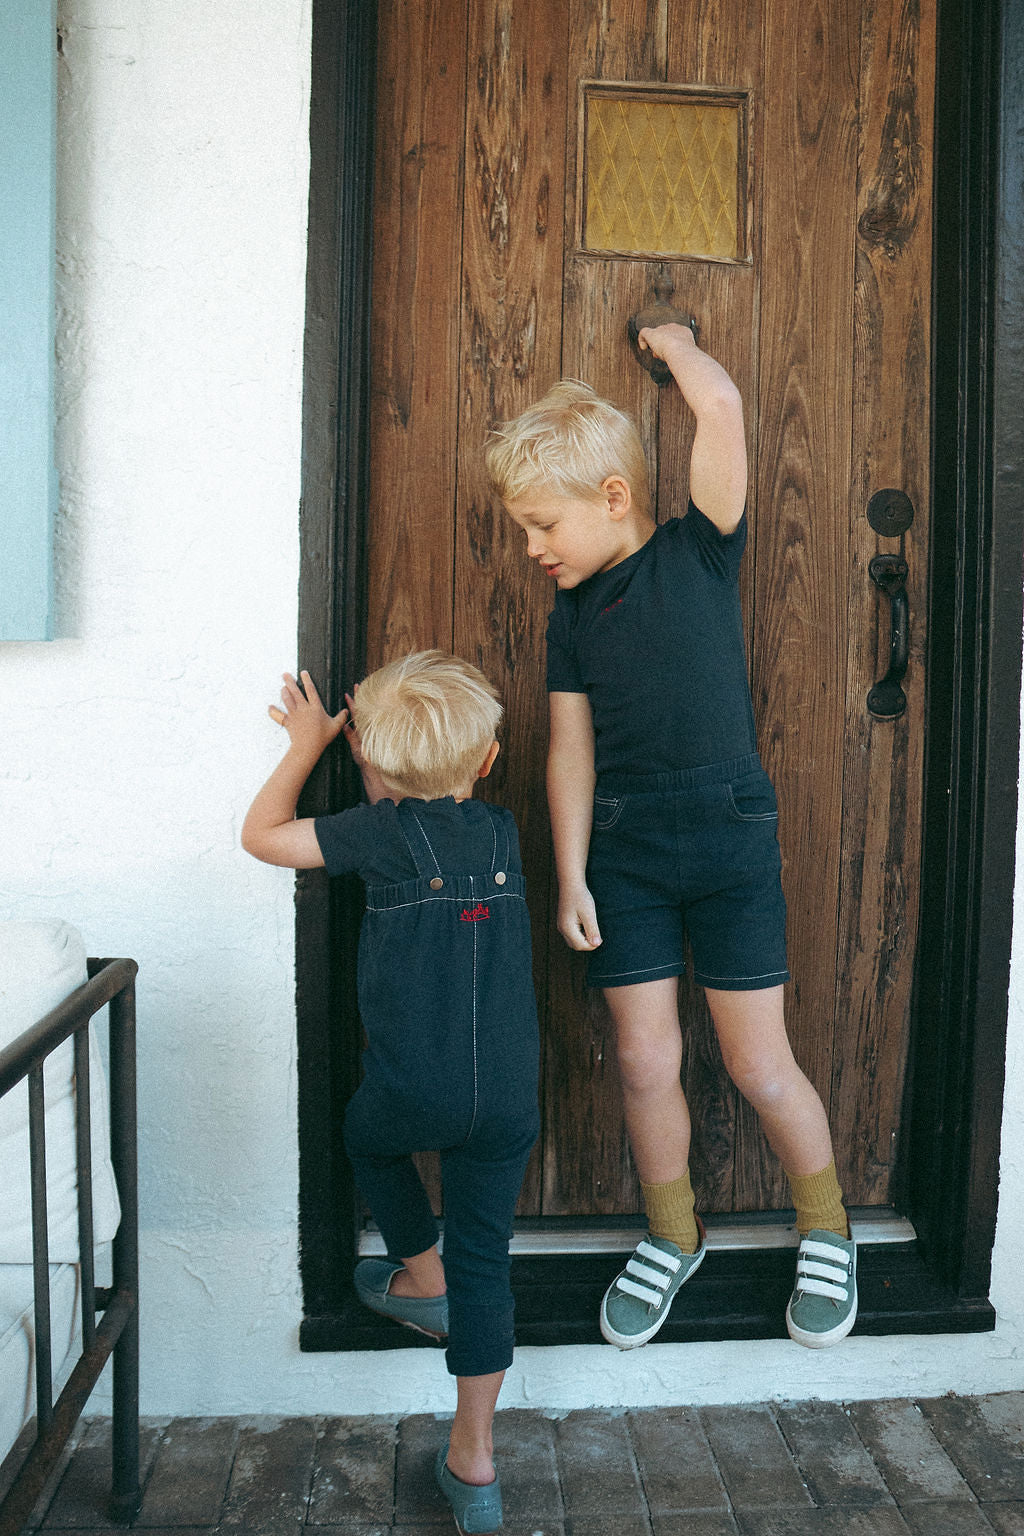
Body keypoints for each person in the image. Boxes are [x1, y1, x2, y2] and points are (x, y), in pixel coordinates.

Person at [484, 321, 856, 1352]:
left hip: (729, 840)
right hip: (627, 856)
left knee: (758, 1063)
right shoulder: (569, 617)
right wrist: (569, 876)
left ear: (610, 498)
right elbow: (570, 752)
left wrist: (677, 346)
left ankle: (824, 1224)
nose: (532, 549)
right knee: (643, 1061)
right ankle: (672, 1232)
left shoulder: (702, 549)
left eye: (540, 524)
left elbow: (723, 411)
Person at [241, 651, 540, 1534]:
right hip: (508, 1098)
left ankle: (418, 1274)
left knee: (366, 1138)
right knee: (490, 1265)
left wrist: (307, 745)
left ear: (369, 758)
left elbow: (264, 836)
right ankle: (475, 1466)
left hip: (412, 1090)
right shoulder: (502, 831)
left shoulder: (376, 835)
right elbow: (429, 813)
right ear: (486, 763)